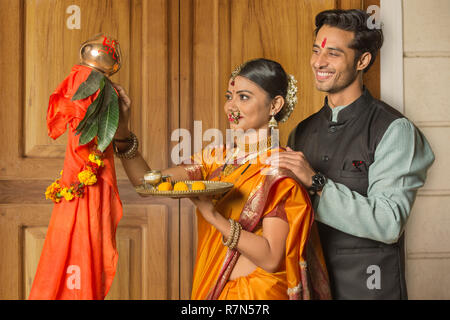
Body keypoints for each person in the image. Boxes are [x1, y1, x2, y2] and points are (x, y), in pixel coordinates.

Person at [112, 58, 331, 300]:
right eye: (229, 96)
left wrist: (212, 215)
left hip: (259, 294)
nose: (231, 107)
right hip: (217, 290)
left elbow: (270, 258)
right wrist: (122, 133)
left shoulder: (278, 170)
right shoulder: (215, 159)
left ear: (274, 105)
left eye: (244, 97)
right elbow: (147, 184)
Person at [266, 9, 435, 299]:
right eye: (316, 50)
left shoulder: (394, 130)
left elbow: (388, 222)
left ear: (362, 60)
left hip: (370, 290)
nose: (319, 62)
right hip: (311, 288)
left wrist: (316, 183)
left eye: (332, 53)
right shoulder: (301, 132)